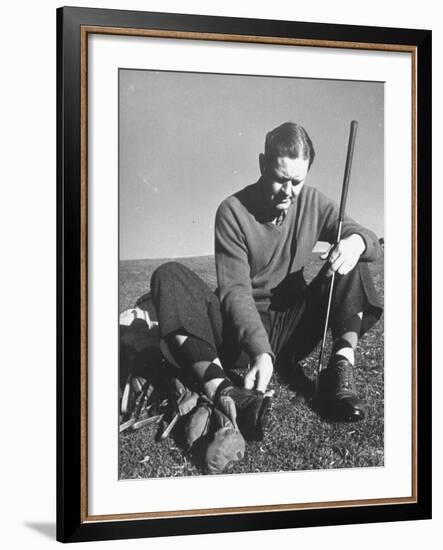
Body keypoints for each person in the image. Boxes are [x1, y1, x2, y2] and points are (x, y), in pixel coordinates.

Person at [149, 121, 382, 446]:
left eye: (297, 181)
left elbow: (365, 236)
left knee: (350, 257)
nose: (288, 191)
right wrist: (260, 352)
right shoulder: (232, 211)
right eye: (280, 179)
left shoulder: (314, 203)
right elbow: (235, 292)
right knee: (169, 275)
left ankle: (340, 370)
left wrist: (357, 242)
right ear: (262, 164)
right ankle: (228, 393)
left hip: (293, 329)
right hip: (238, 341)